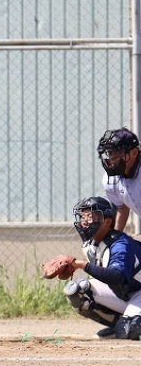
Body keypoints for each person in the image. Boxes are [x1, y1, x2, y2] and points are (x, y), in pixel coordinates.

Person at [62, 196, 141, 339]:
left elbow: (117, 277)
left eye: (91, 216)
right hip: (126, 292)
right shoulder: (90, 245)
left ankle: (127, 324)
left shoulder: (120, 245)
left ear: (107, 222)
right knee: (78, 290)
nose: (85, 221)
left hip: (138, 292)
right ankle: (118, 325)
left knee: (130, 329)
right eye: (83, 216)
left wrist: (81, 264)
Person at [97, 127, 141, 233]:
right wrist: (116, 237)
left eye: (119, 152)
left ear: (134, 153)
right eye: (110, 152)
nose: (112, 157)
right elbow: (122, 207)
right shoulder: (109, 180)